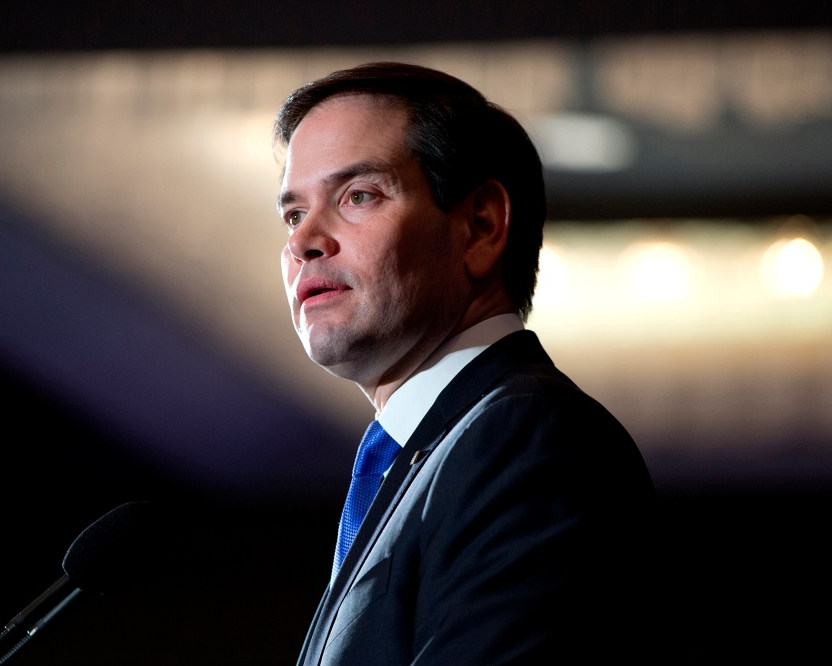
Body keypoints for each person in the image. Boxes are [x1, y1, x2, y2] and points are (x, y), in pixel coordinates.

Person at [273, 62, 660, 665]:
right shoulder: (428, 455)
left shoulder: (528, 439)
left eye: (358, 195)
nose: (303, 241)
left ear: (480, 226)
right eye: (294, 214)